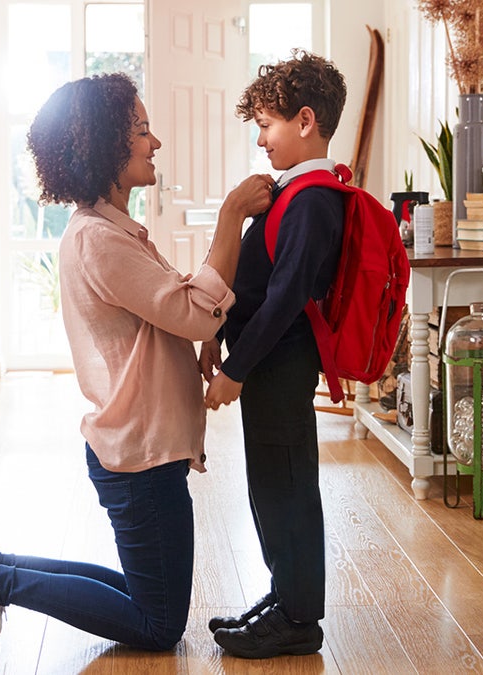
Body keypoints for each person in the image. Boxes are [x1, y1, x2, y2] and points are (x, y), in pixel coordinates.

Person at [0, 72, 275, 656]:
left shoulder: (111, 230)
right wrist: (230, 218)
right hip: (140, 457)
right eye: (142, 131)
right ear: (104, 147)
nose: (156, 143)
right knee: (158, 623)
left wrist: (197, 331)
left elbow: (172, 311)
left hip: (140, 449)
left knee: (148, 595)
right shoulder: (100, 239)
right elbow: (195, 312)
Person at [198, 50, 348, 659]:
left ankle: (299, 618)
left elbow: (285, 298)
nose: (260, 139)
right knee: (270, 485)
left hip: (279, 366)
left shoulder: (313, 198)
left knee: (285, 488)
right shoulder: (293, 192)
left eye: (267, 125)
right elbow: (258, 282)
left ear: (305, 120)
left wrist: (236, 369)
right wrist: (217, 329)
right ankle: (285, 598)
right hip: (269, 365)